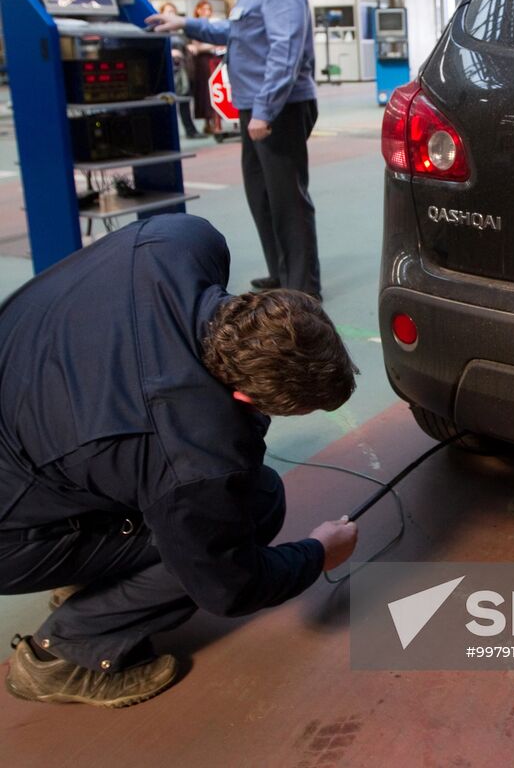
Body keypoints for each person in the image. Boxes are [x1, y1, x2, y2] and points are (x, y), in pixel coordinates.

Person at [0, 213, 358, 708]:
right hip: (10, 529)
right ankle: (64, 654)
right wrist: (318, 553)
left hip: (28, 409)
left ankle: (90, 572)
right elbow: (228, 587)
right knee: (255, 510)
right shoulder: (193, 454)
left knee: (243, 492)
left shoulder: (177, 240)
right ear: (243, 395)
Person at [146, 0, 321, 299]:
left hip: (278, 108)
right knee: (262, 195)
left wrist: (264, 111)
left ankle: (302, 288)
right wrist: (184, 25)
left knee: (288, 199)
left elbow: (286, 48)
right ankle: (281, 272)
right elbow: (237, 31)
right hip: (255, 107)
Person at [159, 2, 204, 139]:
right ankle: (168, 134)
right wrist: (170, 52)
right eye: (168, 11)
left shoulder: (181, 32)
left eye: (173, 11)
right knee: (168, 103)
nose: (171, 14)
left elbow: (190, 45)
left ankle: (190, 130)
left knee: (185, 101)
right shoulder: (160, 31)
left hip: (183, 70)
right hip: (168, 71)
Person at [186, 0, 225, 136]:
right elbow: (197, 47)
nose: (207, 12)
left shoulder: (214, 23)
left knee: (217, 91)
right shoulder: (196, 25)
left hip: (215, 59)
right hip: (203, 62)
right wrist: (214, 44)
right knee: (205, 93)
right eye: (204, 9)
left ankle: (216, 121)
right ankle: (209, 122)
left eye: (209, 9)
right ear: (198, 10)